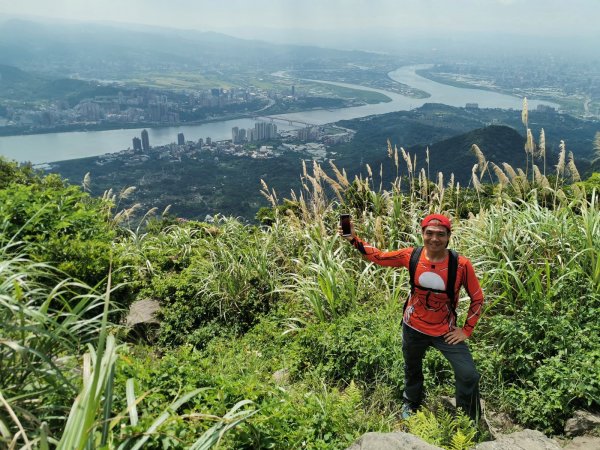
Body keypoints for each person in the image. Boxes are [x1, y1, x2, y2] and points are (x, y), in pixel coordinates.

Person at [340, 213, 484, 422]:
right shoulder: (411, 256)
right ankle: (411, 400)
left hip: (445, 330)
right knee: (412, 367)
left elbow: (477, 298)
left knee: (468, 373)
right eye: (429, 233)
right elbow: (378, 257)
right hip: (413, 326)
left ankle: (467, 418)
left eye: (440, 234)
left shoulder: (460, 265)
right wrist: (354, 239)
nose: (435, 239)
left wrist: (466, 330)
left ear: (449, 236)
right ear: (422, 233)